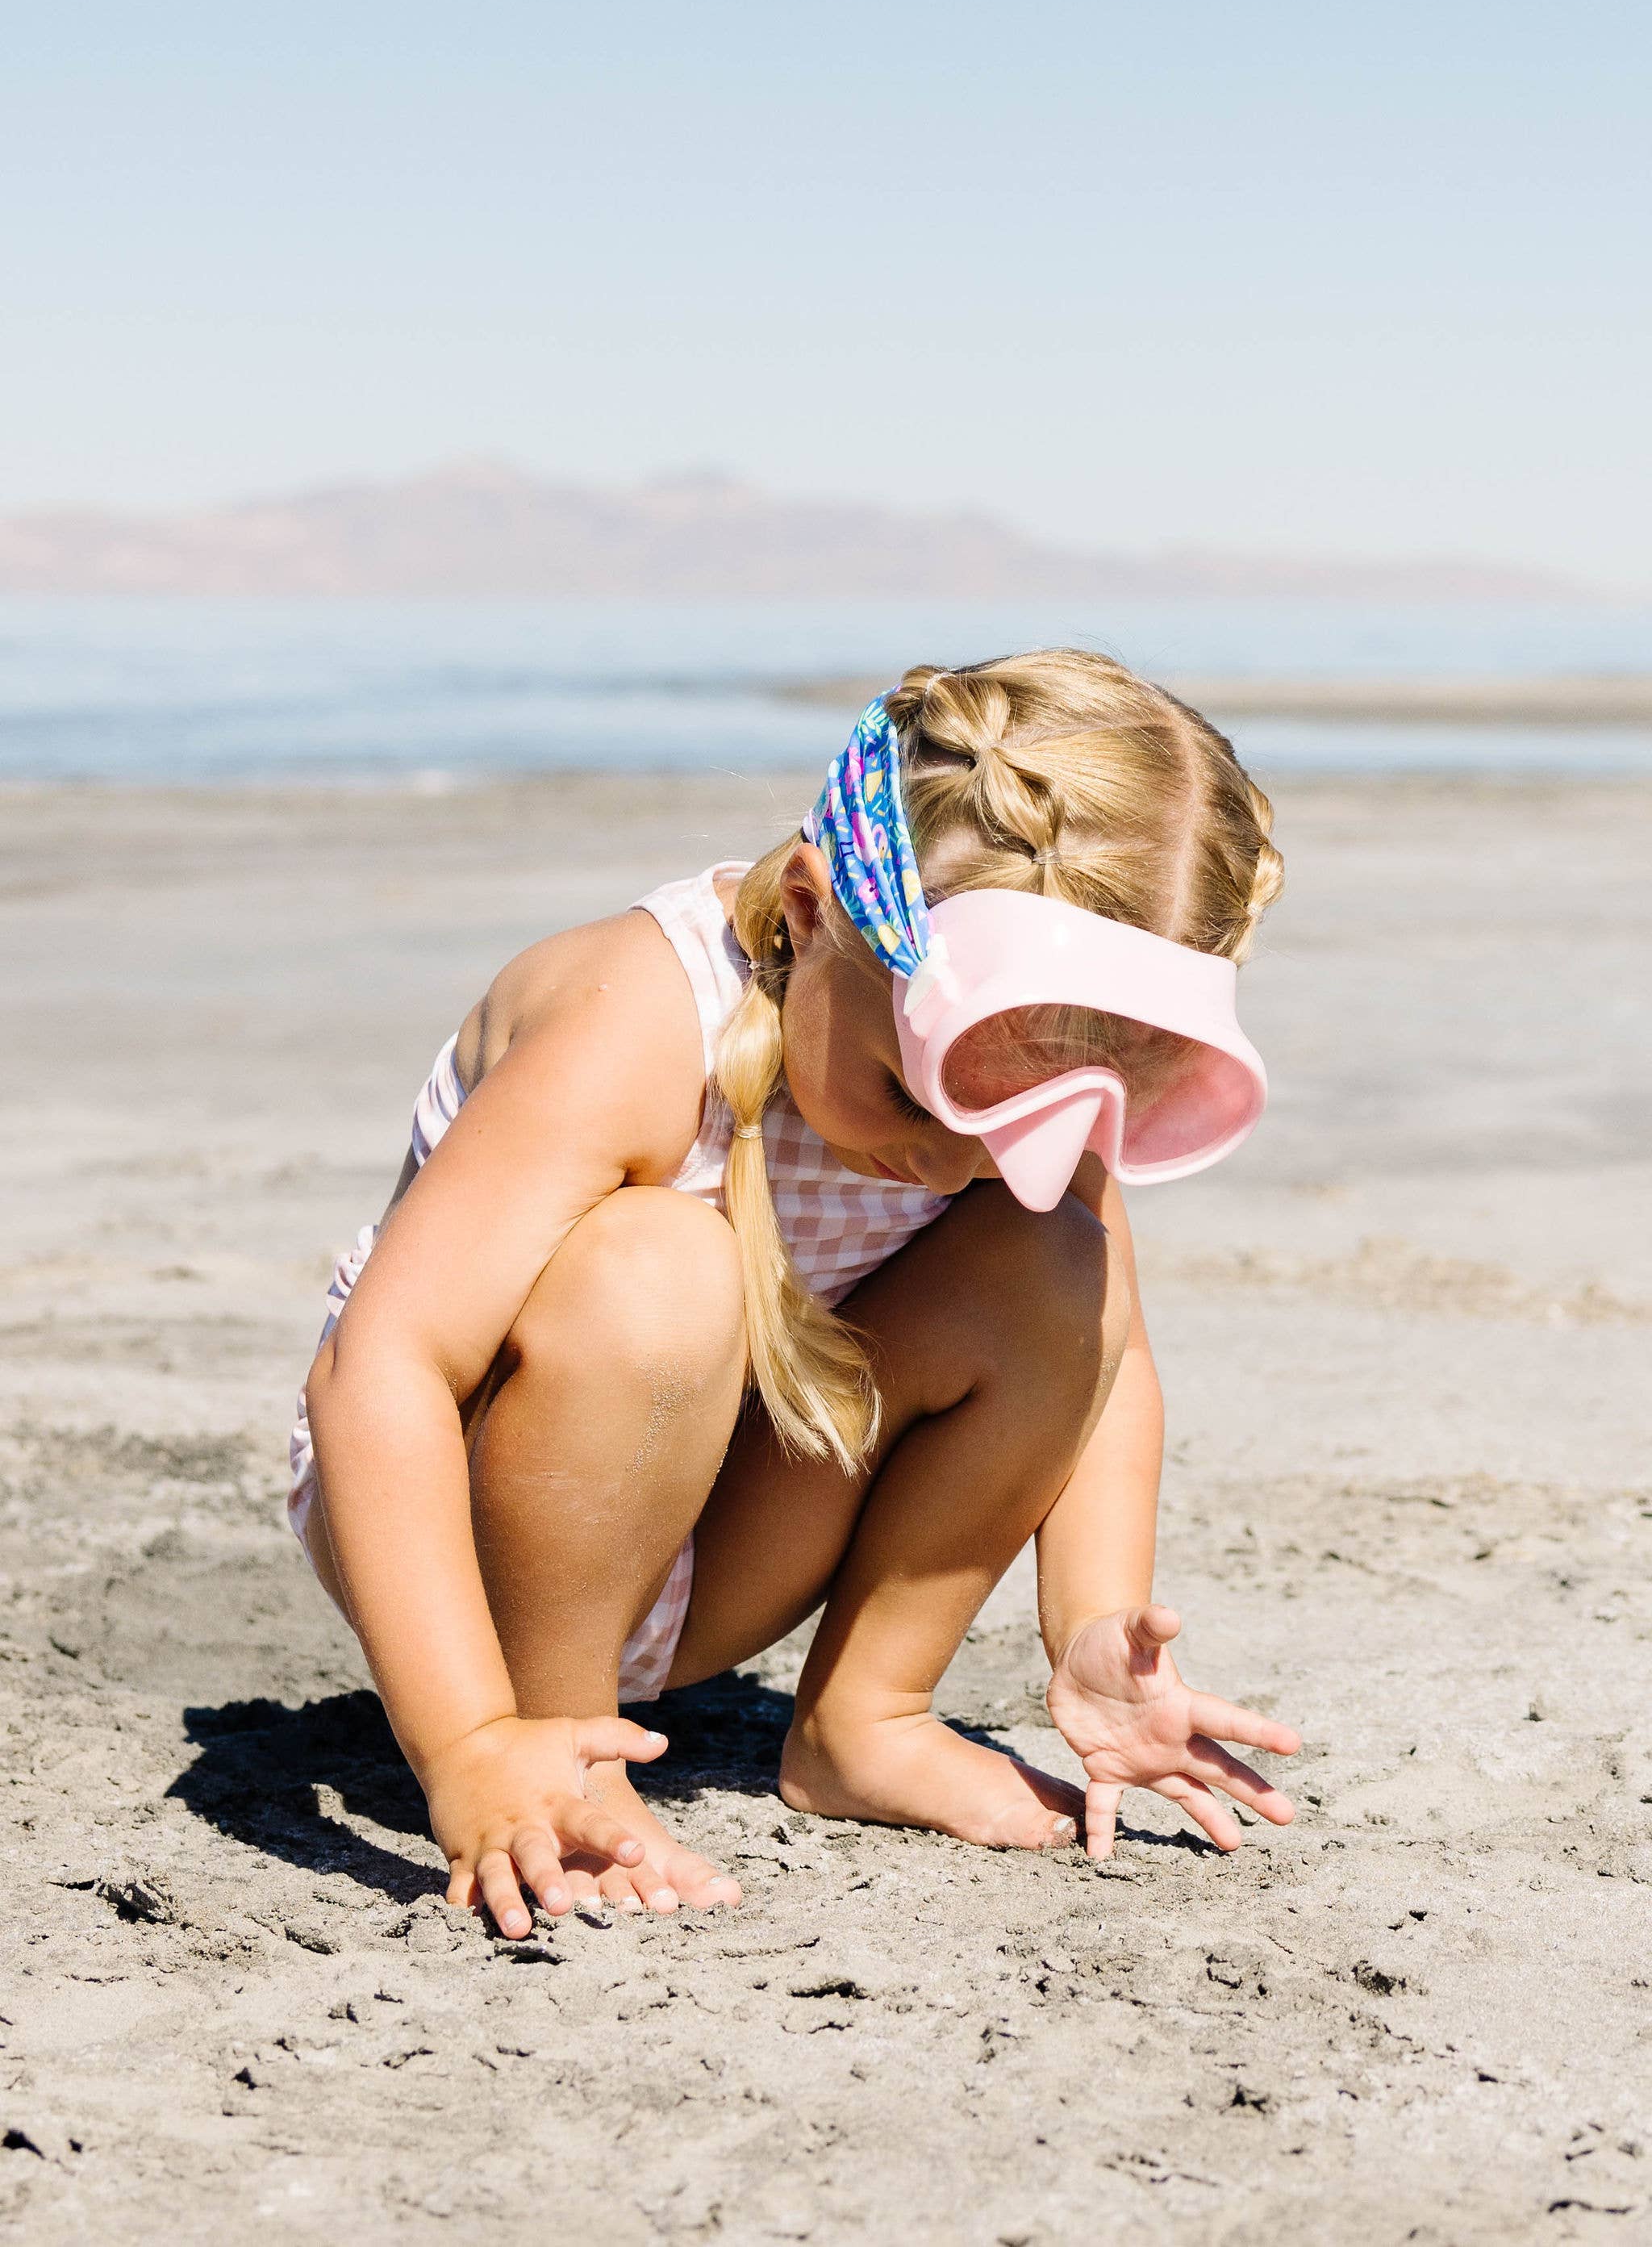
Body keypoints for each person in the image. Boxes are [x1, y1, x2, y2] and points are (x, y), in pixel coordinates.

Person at [295, 650, 1301, 1934]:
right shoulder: (642, 1014)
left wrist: (1094, 1627)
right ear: (811, 914)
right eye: (908, 1091)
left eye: (1008, 1127)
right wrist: (467, 1738)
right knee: (662, 1271)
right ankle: (561, 1747)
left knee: (1059, 1253)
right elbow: (379, 1368)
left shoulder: (1004, 1094)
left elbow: (1100, 1365)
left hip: (715, 1543)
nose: (951, 1156)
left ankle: (863, 1717)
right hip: (473, 1530)